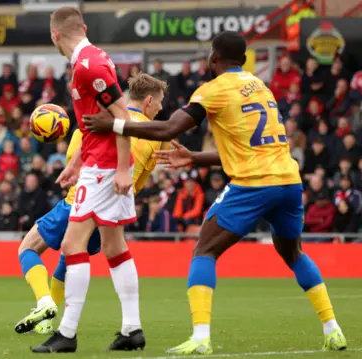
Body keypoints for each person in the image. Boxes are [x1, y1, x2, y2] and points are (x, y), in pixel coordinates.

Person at [83, 31, 347, 354]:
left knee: (204, 250)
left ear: (213, 59)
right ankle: (333, 330)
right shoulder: (260, 87)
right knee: (294, 253)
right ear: (245, 60)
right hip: (289, 181)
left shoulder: (214, 89)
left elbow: (168, 128)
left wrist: (116, 125)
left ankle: (201, 337)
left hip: (253, 183)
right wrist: (195, 158)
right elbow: (251, 147)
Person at [16, 73, 167, 336]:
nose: (161, 108)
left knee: (27, 248)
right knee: (71, 257)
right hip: (113, 211)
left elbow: (75, 169)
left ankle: (45, 302)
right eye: (160, 103)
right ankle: (49, 322)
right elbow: (139, 183)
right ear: (149, 101)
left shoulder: (92, 126)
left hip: (80, 203)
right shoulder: (154, 137)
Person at [31, 7, 144, 353]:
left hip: (106, 166)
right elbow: (94, 121)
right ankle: (131, 329)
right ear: (82, 27)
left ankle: (66, 333)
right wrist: (76, 162)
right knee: (113, 247)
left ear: (55, 35)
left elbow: (122, 116)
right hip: (96, 162)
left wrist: (123, 168)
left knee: (71, 245)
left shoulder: (88, 66)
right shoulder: (91, 60)